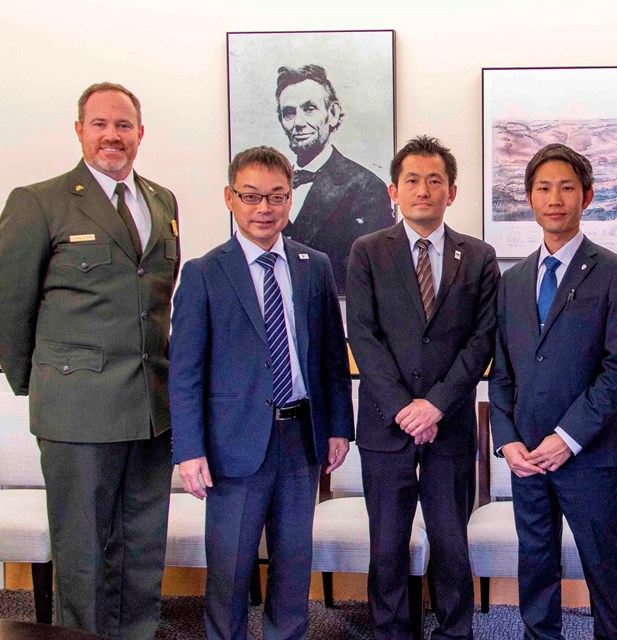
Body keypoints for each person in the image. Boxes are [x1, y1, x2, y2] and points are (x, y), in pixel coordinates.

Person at [0, 82, 180, 639]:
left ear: (140, 134)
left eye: (124, 125)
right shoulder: (40, 201)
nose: (112, 135)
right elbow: (9, 304)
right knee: (83, 554)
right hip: (77, 409)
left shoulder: (161, 201)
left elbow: (155, 302)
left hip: (152, 409)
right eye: (100, 124)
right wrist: (41, 384)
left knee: (142, 546)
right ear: (79, 130)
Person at [169, 146, 354, 640]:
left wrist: (339, 428)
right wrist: (188, 450)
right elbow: (184, 370)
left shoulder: (314, 265)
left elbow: (333, 358)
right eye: (251, 196)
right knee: (229, 571)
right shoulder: (205, 272)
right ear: (231, 198)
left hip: (301, 440)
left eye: (276, 196)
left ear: (290, 200)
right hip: (233, 444)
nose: (264, 208)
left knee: (294, 568)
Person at [347, 135, 499, 640]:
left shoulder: (477, 256)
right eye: (412, 179)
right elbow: (362, 336)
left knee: (451, 542)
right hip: (385, 427)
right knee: (387, 546)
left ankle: (456, 632)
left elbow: (482, 340)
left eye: (435, 180)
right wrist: (404, 408)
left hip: (449, 423)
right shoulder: (367, 251)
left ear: (452, 191)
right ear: (393, 190)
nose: (423, 189)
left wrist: (434, 404)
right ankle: (392, 632)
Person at [489, 143, 617, 640]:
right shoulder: (510, 281)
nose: (555, 198)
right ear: (530, 199)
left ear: (588, 196)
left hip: (587, 454)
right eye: (543, 188)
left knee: (606, 571)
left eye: (567, 188)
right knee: (536, 569)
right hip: (526, 456)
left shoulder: (616, 273)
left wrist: (567, 437)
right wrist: (507, 440)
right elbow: (504, 372)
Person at [276, 64, 395, 293]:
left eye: (309, 108)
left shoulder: (367, 188)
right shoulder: (270, 187)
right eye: (289, 112)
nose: (298, 122)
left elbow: (367, 278)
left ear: (332, 114)